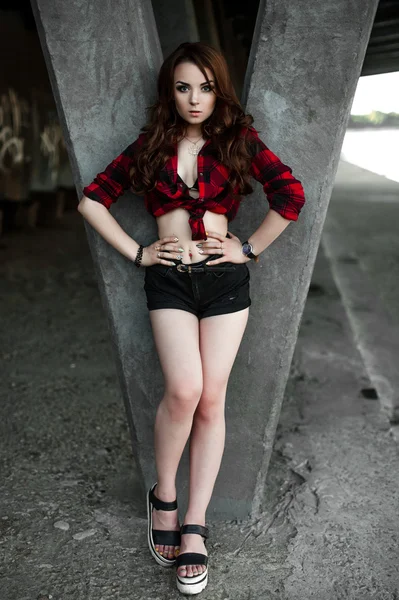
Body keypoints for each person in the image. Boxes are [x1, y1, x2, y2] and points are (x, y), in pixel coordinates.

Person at [78, 41, 305, 596]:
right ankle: (165, 499)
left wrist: (247, 249)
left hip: (225, 283)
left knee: (211, 398)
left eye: (204, 86)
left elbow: (291, 195)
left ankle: (196, 525)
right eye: (183, 87)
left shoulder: (238, 141)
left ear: (217, 89)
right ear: (170, 91)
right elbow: (91, 201)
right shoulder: (150, 144)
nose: (194, 98)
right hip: (170, 280)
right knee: (183, 390)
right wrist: (139, 252)